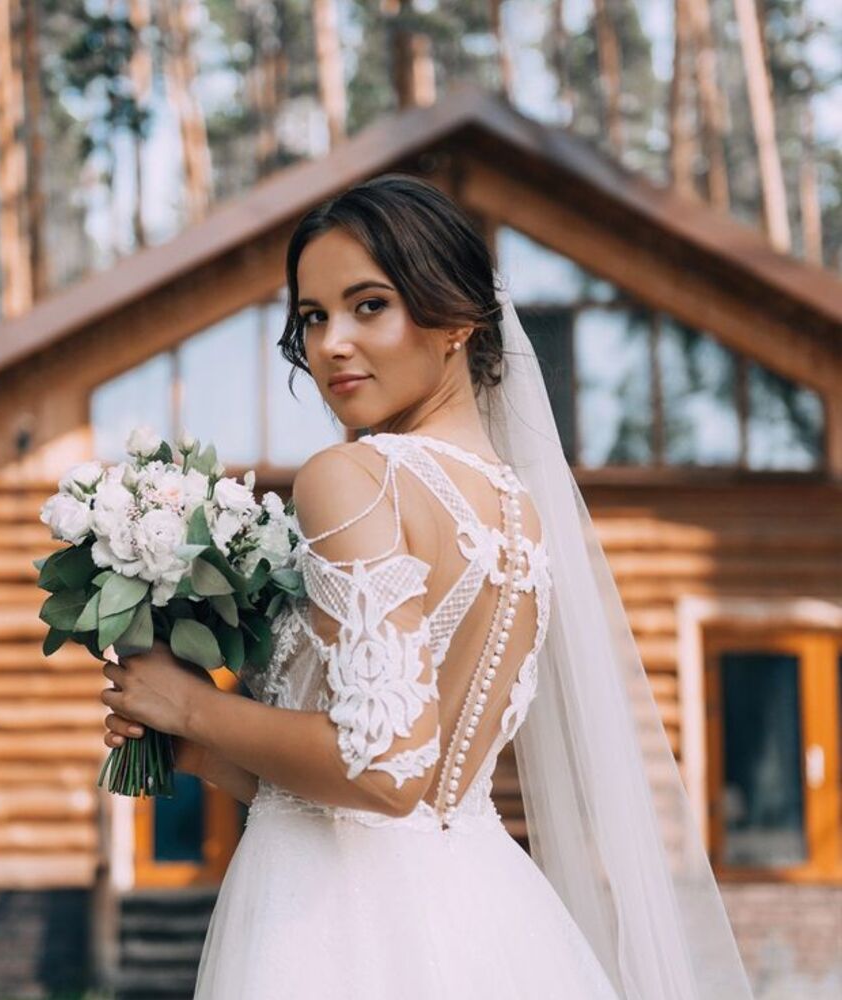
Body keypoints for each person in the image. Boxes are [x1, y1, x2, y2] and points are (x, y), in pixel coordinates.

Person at [100, 174, 755, 999]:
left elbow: (385, 767)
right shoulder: (519, 510)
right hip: (483, 913)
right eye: (312, 317)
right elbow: (420, 787)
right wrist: (199, 747)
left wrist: (189, 703)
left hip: (336, 930)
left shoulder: (355, 478)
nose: (332, 342)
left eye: (369, 305)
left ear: (454, 320)